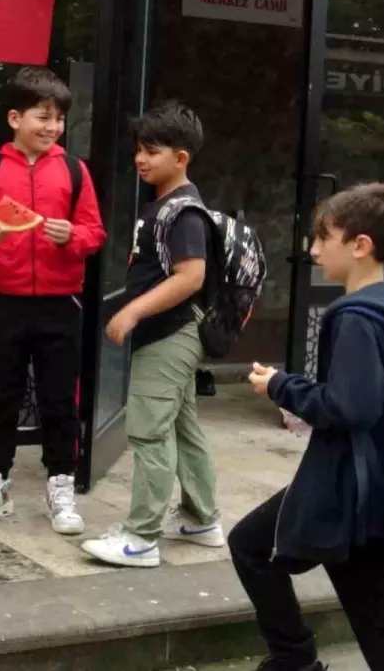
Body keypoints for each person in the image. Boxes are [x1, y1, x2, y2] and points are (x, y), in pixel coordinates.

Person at [234, 184, 384, 671]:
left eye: (324, 238)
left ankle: (294, 657)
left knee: (251, 546)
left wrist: (281, 385)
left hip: (353, 491)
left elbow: (351, 407)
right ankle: (293, 657)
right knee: (381, 616)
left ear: (360, 245)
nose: (314, 250)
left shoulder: (357, 318)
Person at [0, 67, 106, 535]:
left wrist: (73, 237)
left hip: (63, 302)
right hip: (2, 298)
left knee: (61, 399)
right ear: (15, 118)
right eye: (43, 116)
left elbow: (95, 232)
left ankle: (61, 485)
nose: (51, 127)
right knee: (2, 396)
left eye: (58, 119)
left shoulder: (76, 172)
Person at [83, 101, 223, 568]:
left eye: (152, 151)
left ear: (181, 157)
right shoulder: (165, 207)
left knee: (148, 432)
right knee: (183, 428)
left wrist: (132, 312)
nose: (140, 159)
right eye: (139, 150)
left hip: (169, 336)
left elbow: (191, 276)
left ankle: (140, 538)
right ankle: (203, 519)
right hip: (175, 335)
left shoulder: (182, 212)